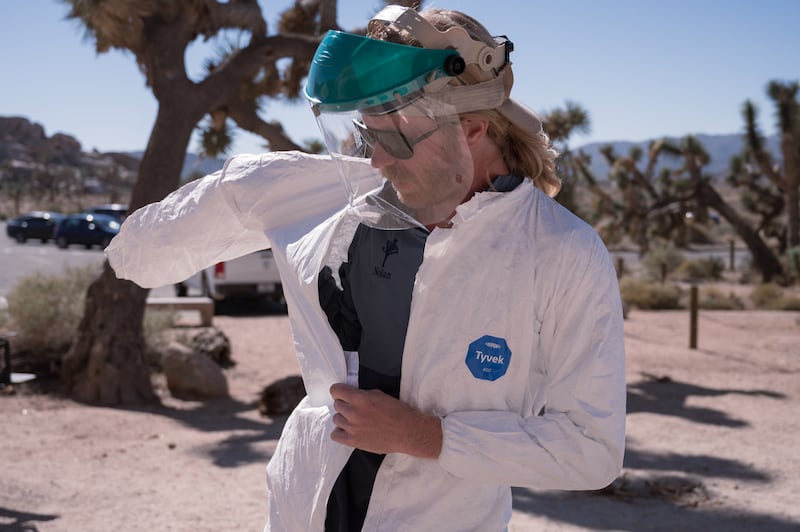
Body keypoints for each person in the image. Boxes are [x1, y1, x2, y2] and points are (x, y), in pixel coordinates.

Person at [107, 5, 626, 531]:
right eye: (367, 135)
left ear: (470, 127)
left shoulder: (561, 253)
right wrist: (240, 188)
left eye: (395, 138)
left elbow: (591, 449)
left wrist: (425, 436)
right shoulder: (329, 204)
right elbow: (137, 259)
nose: (376, 161)